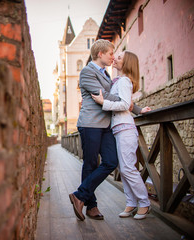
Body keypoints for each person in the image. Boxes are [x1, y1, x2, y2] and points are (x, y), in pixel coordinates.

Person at [69, 39, 143, 221]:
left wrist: (138, 110)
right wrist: (128, 103)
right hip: (90, 124)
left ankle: (79, 195)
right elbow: (104, 96)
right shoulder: (87, 71)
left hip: (106, 125)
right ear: (100, 54)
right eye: (111, 53)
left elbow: (117, 99)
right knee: (90, 164)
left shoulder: (107, 75)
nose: (113, 57)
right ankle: (91, 207)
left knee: (111, 161)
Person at [91, 50, 151, 220]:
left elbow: (124, 104)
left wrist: (104, 102)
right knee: (123, 169)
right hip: (118, 129)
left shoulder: (124, 81)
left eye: (119, 58)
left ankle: (144, 203)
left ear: (126, 63)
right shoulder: (117, 81)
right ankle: (131, 203)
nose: (114, 59)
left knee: (128, 168)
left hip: (125, 129)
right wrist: (139, 109)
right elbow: (129, 104)